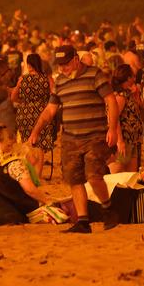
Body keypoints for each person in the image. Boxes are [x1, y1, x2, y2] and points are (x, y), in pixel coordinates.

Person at [29, 45, 120, 234]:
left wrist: (112, 129)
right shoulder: (60, 82)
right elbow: (50, 110)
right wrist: (35, 131)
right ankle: (83, 221)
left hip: (95, 136)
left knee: (94, 177)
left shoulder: (95, 75)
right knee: (75, 180)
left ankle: (109, 208)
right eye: (60, 65)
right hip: (70, 139)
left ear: (76, 60)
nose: (63, 68)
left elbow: (111, 101)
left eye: (66, 64)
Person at [0, 124, 53, 225]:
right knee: (17, 218)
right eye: (9, 145)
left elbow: (33, 161)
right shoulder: (15, 163)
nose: (12, 148)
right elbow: (29, 189)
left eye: (13, 145)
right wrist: (48, 201)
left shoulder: (14, 159)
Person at [11, 53, 54, 179]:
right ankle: (37, 176)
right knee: (39, 144)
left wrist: (25, 103)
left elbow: (13, 97)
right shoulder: (47, 78)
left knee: (28, 143)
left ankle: (29, 174)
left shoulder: (22, 79)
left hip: (24, 114)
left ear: (28, 65)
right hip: (42, 112)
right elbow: (54, 94)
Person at [109, 64, 142, 173]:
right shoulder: (120, 96)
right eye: (133, 76)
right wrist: (120, 141)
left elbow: (140, 108)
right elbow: (114, 118)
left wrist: (137, 95)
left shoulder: (128, 93)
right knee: (118, 171)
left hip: (132, 139)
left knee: (131, 174)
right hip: (125, 139)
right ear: (128, 78)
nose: (134, 78)